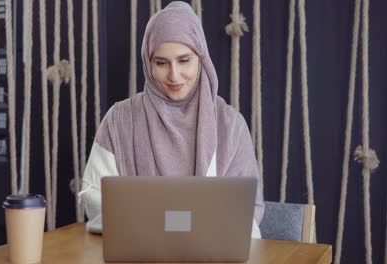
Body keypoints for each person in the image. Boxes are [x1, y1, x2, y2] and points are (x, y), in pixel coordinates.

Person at [78, 1, 264, 238]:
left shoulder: (230, 125)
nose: (174, 75)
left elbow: (247, 209)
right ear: (148, 62)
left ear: (201, 59)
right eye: (161, 63)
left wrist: (158, 222)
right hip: (137, 252)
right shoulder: (118, 120)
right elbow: (96, 198)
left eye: (184, 60)